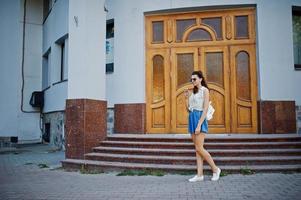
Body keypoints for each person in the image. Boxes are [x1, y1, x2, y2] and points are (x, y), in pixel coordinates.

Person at [184, 70, 221, 182]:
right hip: (192, 117)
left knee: (200, 147)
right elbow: (189, 109)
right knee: (197, 149)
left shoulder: (205, 90)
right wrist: (186, 98)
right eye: (191, 79)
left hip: (200, 118)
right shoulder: (193, 92)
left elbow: (205, 108)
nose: (192, 81)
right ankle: (199, 175)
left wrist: (199, 124)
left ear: (200, 79)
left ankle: (215, 169)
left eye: (194, 79)